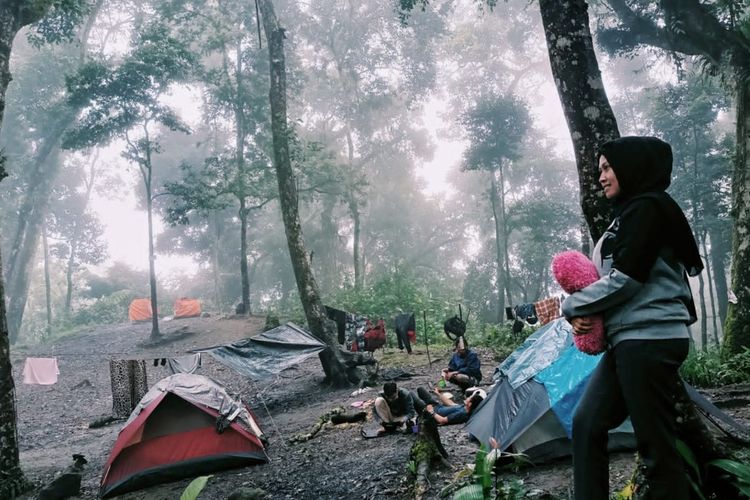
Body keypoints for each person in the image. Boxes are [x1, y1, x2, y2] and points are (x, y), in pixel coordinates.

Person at [562, 136, 703, 500]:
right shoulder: (628, 214)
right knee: (587, 422)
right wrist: (587, 312)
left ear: (631, 167)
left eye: (608, 168)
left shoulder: (648, 209)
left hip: (650, 337)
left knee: (656, 449)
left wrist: (573, 306)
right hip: (628, 338)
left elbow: (627, 280)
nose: (602, 177)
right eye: (600, 170)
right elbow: (608, 282)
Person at [412, 386, 485, 426]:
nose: (468, 398)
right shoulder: (464, 407)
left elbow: (442, 420)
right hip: (436, 405)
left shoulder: (462, 414)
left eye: (470, 398)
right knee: (420, 389)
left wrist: (431, 412)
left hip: (431, 414)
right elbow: (450, 403)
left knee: (411, 395)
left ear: (471, 404)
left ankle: (411, 419)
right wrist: (438, 394)